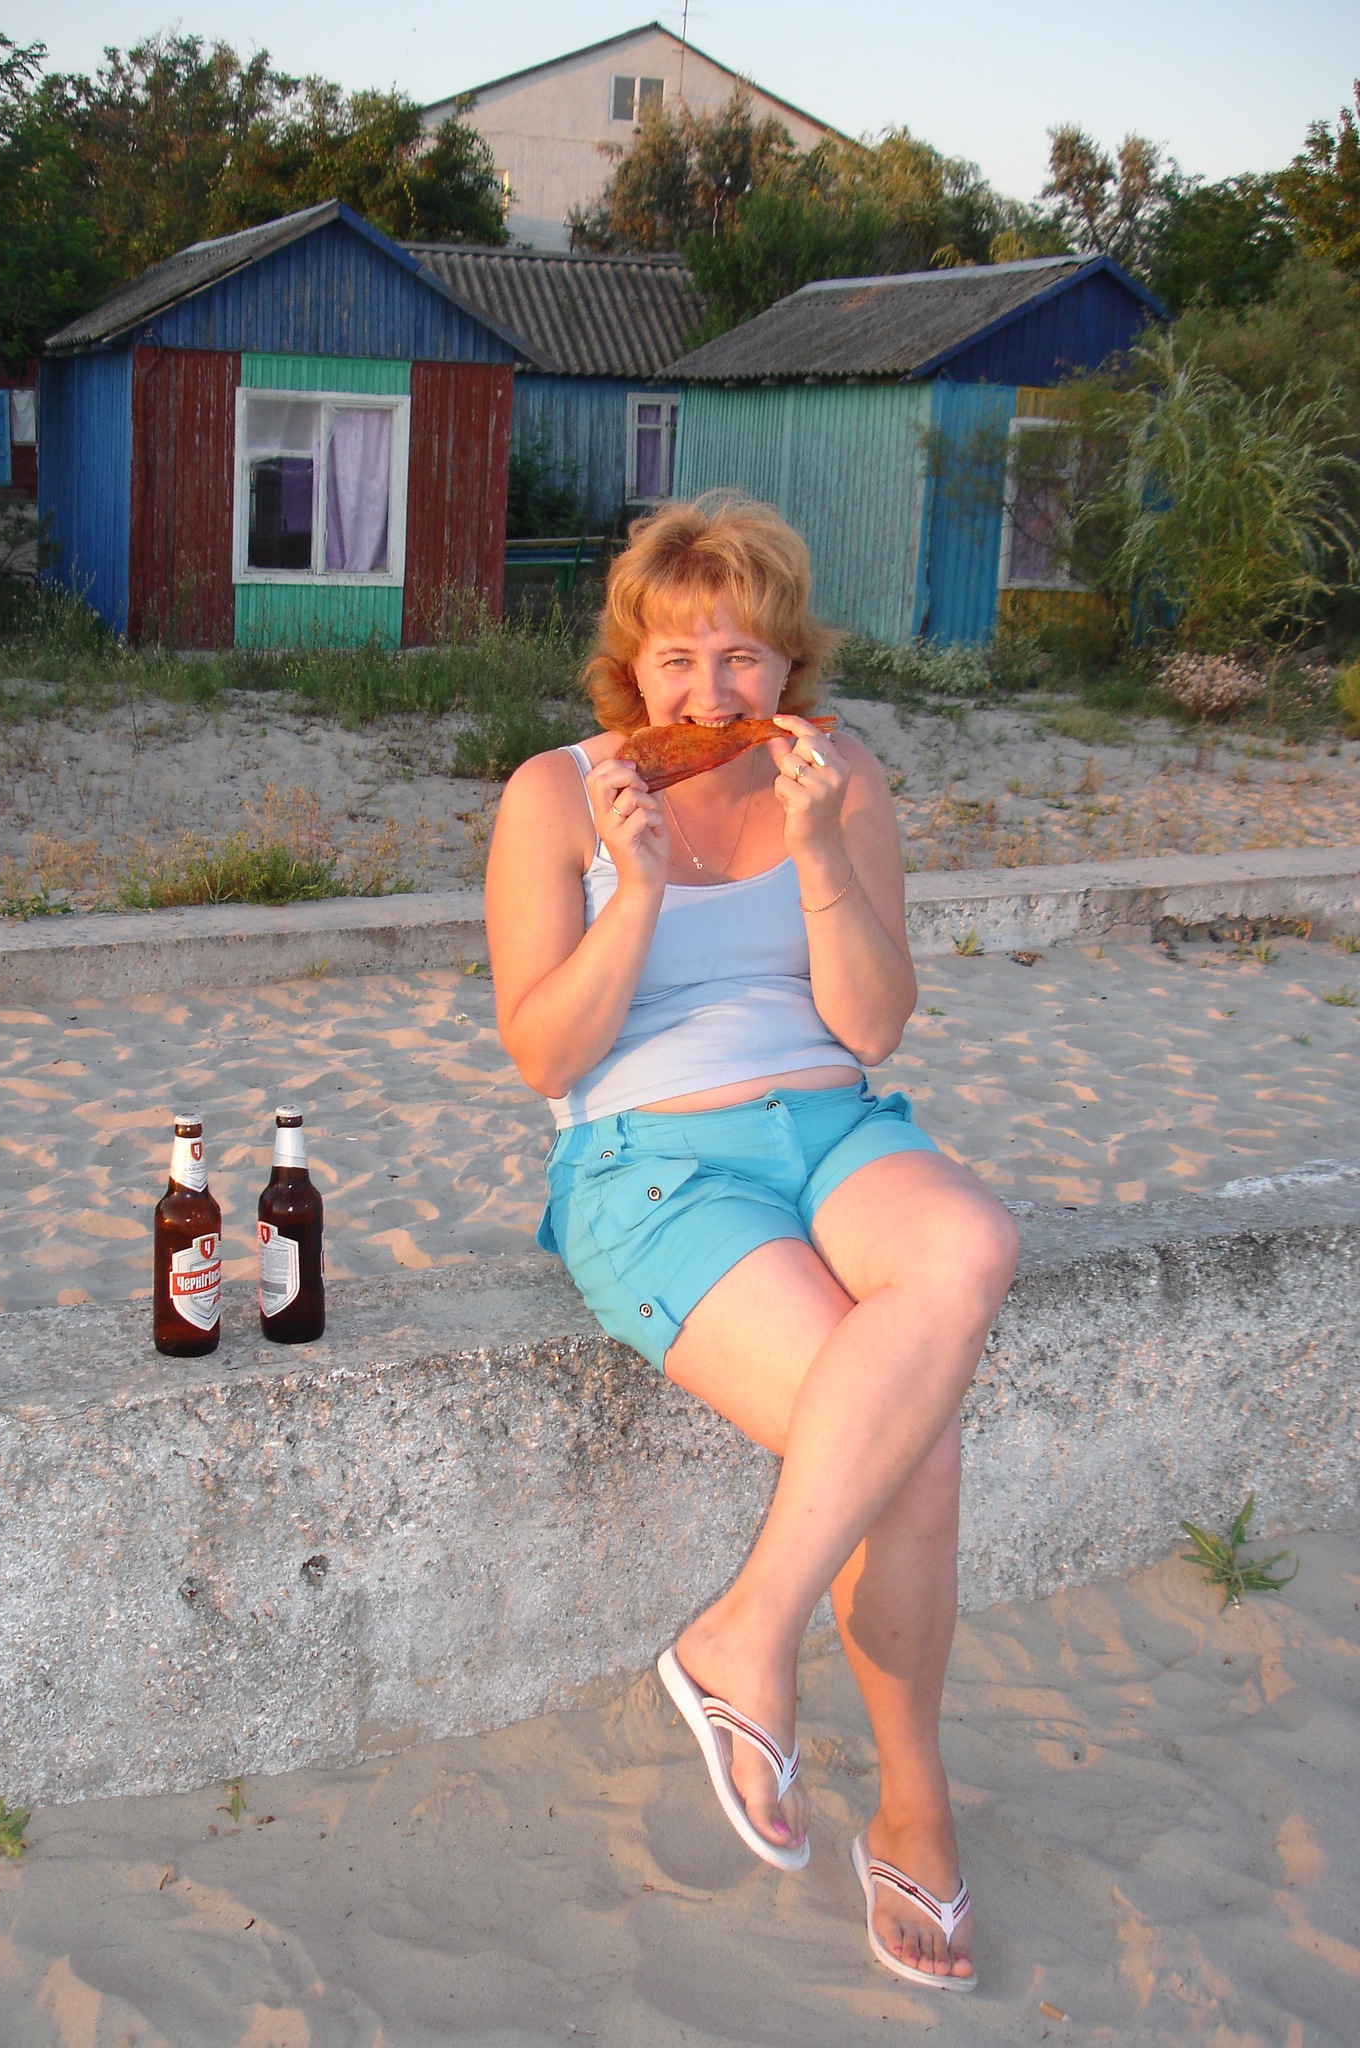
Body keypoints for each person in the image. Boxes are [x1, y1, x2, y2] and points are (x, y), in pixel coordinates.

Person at [484, 494, 1018, 1993]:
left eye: (743, 658)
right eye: (678, 659)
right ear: (632, 668)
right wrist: (637, 889)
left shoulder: (840, 773)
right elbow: (544, 1054)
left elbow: (873, 1022)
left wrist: (822, 846)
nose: (710, 693)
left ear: (790, 665)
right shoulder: (555, 795)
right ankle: (914, 1804)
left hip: (836, 1123)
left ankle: (745, 1634)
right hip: (651, 1160)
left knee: (971, 1240)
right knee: (913, 1448)